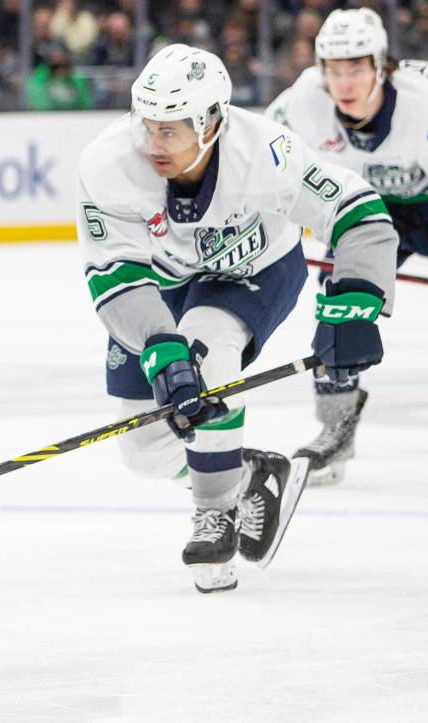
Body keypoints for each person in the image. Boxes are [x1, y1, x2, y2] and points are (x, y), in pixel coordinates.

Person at [75, 44, 397, 593]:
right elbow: (115, 278)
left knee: (206, 346)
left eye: (170, 130)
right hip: (159, 287)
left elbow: (356, 209)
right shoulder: (107, 165)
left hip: (254, 270)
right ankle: (249, 476)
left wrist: (357, 299)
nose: (153, 143)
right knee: (145, 451)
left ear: (211, 122)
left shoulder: (266, 153)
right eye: (147, 125)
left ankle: (213, 514)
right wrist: (158, 344)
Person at [266, 8, 428, 486]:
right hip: (368, 213)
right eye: (333, 70)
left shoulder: (423, 101)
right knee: (338, 301)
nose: (344, 82)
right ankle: (336, 425)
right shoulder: (299, 104)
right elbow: (257, 166)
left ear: (381, 66)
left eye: (355, 69)